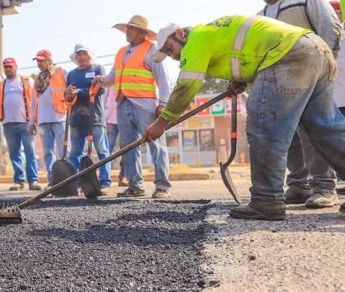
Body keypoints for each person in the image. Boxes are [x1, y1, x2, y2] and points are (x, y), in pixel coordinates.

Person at [145, 15, 345, 221]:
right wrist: (239, 78)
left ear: (179, 34)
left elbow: (187, 84)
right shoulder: (213, 33)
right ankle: (271, 197)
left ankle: (267, 200)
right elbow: (246, 51)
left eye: (170, 49)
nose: (173, 56)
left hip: (288, 55)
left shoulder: (196, 38)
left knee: (264, 128)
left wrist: (162, 122)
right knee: (326, 127)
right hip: (316, 49)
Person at [251, 0, 343, 208]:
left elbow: (330, 29)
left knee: (313, 131)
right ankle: (298, 185)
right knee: (288, 135)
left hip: (313, 76)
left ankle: (323, 186)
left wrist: (326, 68)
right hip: (281, 84)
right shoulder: (262, 17)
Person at [95, 15, 172, 198]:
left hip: (145, 105)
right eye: (127, 29)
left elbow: (163, 80)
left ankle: (162, 186)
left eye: (131, 29)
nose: (127, 33)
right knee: (128, 147)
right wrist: (101, 81)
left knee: (157, 145)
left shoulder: (151, 50)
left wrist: (163, 104)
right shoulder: (121, 52)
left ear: (141, 32)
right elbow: (113, 79)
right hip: (124, 103)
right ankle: (135, 186)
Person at [0, 57, 42, 191]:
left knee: (30, 152)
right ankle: (18, 181)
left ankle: (33, 181)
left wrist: (35, 121)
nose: (8, 69)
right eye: (5, 67)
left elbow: (36, 101)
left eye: (10, 66)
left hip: (26, 123)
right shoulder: (0, 85)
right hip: (8, 125)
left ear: (16, 67)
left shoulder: (26, 81)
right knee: (14, 154)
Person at [64, 44, 111, 193]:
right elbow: (68, 94)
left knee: (102, 150)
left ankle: (104, 182)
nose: (82, 57)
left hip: (94, 116)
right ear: (75, 58)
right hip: (77, 117)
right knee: (75, 153)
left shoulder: (97, 69)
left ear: (89, 55)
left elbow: (101, 89)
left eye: (84, 54)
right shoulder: (71, 74)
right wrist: (69, 93)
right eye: (79, 55)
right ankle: (77, 183)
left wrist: (80, 91)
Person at [29, 49, 69, 185]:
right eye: (38, 61)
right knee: (47, 152)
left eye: (42, 60)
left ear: (49, 60)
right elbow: (33, 101)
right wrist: (32, 122)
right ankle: (52, 180)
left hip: (60, 118)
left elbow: (72, 86)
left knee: (64, 150)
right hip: (43, 121)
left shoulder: (61, 72)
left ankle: (68, 179)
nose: (39, 63)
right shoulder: (37, 80)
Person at [104, 85, 127, 187]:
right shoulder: (112, 77)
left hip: (126, 119)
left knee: (127, 149)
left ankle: (123, 177)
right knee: (106, 151)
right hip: (111, 120)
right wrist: (103, 117)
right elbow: (103, 99)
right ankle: (104, 179)